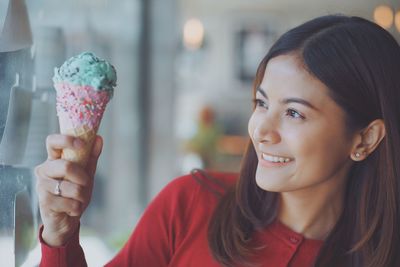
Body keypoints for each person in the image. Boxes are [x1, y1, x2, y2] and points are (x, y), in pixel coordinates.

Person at [35, 14, 400, 267]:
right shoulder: (189, 204)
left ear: (366, 138)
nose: (260, 129)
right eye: (262, 103)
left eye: (294, 113)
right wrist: (59, 235)